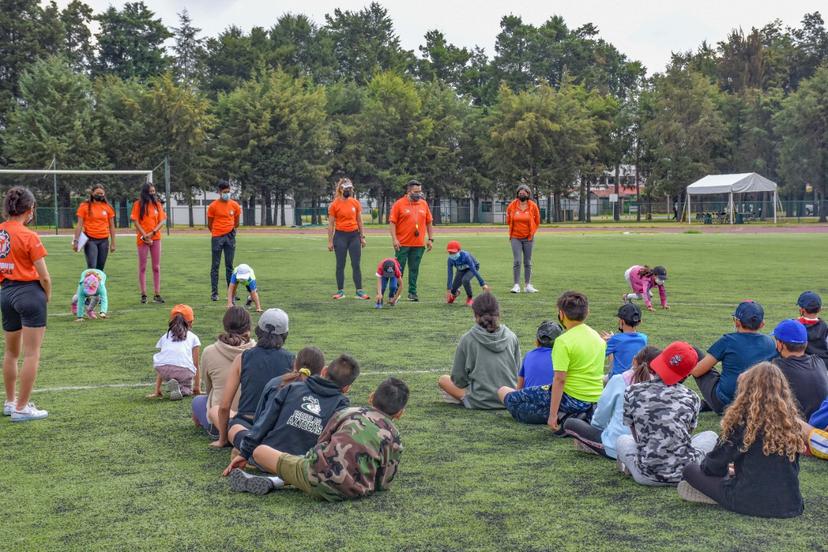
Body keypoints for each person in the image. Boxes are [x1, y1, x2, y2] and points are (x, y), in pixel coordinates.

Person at [223, 377, 409, 502]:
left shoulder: (348, 413)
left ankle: (278, 479)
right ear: (400, 413)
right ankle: (275, 481)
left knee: (260, 451)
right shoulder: (395, 436)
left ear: (371, 398)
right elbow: (384, 481)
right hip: (355, 491)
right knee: (312, 472)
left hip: (314, 476)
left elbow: (321, 443)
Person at [679, 362, 805, 518]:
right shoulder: (791, 423)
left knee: (690, 469)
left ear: (747, 390)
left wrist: (728, 470)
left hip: (749, 501)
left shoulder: (742, 422)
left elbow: (712, 467)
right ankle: (724, 485)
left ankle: (717, 493)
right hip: (791, 504)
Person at [226, 353, 358, 495]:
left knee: (236, 428)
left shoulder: (292, 388)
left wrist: (244, 454)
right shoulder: (341, 406)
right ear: (346, 388)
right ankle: (281, 480)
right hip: (300, 466)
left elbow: (264, 423)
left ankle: (273, 477)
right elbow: (328, 444)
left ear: (324, 371)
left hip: (266, 457)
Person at [616, 342, 717, 486]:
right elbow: (687, 433)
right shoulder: (692, 397)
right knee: (711, 436)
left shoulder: (632, 391)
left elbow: (634, 433)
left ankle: (631, 467)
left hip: (645, 475)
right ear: (687, 373)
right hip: (686, 472)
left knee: (622, 439)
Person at [1, 187, 51, 422]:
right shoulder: (29, 235)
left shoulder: (1, 231)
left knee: (11, 353)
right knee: (32, 354)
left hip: (6, 293)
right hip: (29, 293)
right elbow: (45, 276)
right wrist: (47, 295)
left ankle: (10, 402)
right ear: (30, 210)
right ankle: (22, 407)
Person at [212, 308, 295, 448]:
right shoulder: (293, 361)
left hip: (246, 423)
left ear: (258, 330)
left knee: (216, 411)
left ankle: (247, 445)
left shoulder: (242, 358)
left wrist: (222, 439)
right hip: (276, 426)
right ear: (285, 334)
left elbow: (225, 406)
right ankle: (265, 447)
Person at [564, 346, 660, 459]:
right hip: (649, 450)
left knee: (570, 423)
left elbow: (601, 415)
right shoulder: (665, 387)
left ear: (634, 360)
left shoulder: (619, 380)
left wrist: (595, 429)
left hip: (615, 447)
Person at [691, 301, 776, 414]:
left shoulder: (728, 341)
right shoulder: (771, 342)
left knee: (692, 352)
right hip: (756, 404)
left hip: (725, 404)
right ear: (762, 324)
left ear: (737, 322)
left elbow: (697, 371)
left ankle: (670, 395)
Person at [437, 293, 520, 409]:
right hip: (508, 398)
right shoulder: (512, 336)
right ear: (498, 314)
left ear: (476, 315)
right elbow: (518, 373)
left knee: (443, 380)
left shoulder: (468, 339)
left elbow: (458, 380)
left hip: (479, 401)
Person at [547, 291, 606, 433]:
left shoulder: (563, 341)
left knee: (514, 399)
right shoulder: (598, 338)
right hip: (596, 400)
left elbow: (560, 379)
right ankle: (583, 417)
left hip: (572, 398)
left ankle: (566, 416)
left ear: (561, 314)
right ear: (587, 313)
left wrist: (552, 415)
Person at [191, 307, 255, 435]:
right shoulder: (259, 350)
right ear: (248, 327)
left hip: (221, 420)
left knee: (198, 401)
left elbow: (209, 389)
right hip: (253, 419)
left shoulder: (210, 351)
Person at [497, 321, 563, 424]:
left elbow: (518, 390)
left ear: (537, 340)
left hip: (526, 411)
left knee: (502, 390)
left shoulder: (529, 355)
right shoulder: (562, 358)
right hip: (555, 412)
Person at [770, 319, 828, 419]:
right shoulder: (818, 361)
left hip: (797, 430)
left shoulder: (776, 368)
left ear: (780, 344)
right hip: (819, 429)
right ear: (805, 343)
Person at [389, 180, 434, 302]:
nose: (418, 194)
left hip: (418, 244)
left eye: (420, 191)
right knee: (399, 269)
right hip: (402, 244)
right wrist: (394, 239)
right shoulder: (399, 204)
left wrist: (430, 239)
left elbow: (429, 222)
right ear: (408, 191)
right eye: (416, 192)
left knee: (414, 269)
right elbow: (392, 223)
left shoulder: (423, 204)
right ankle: (395, 293)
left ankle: (412, 292)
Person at [146, 305, 201, 401]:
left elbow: (163, 358)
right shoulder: (193, 337)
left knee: (167, 361)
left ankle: (175, 385)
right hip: (183, 371)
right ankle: (182, 389)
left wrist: (157, 390)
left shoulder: (165, 336)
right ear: (190, 322)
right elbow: (196, 364)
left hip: (163, 369)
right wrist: (197, 388)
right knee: (187, 390)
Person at [327, 178, 368, 300]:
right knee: (340, 264)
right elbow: (331, 224)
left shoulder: (355, 203)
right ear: (341, 189)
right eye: (346, 189)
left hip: (354, 236)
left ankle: (359, 291)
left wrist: (362, 237)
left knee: (356, 264)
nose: (349, 191)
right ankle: (340, 291)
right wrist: (330, 241)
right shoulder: (334, 204)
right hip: (340, 236)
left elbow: (360, 221)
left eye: (350, 189)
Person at [131, 182, 166, 304]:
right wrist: (144, 234)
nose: (153, 193)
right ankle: (144, 294)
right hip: (143, 239)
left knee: (156, 267)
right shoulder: (138, 204)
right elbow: (135, 221)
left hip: (155, 238)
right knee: (143, 267)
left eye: (154, 191)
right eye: (150, 191)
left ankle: (157, 294)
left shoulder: (157, 204)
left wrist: (153, 232)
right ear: (145, 192)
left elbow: (162, 220)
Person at [207, 181, 241, 301]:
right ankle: (214, 293)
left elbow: (236, 221)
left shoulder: (235, 205)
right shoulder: (213, 206)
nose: (227, 194)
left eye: (228, 192)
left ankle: (232, 292)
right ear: (219, 192)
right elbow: (209, 224)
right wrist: (217, 232)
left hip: (230, 237)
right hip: (217, 237)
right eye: (224, 192)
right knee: (215, 265)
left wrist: (231, 230)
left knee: (229, 266)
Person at [506, 184, 540, 294]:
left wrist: (532, 232)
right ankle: (516, 285)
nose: (522, 194)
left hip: (528, 238)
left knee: (528, 262)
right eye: (520, 193)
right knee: (517, 261)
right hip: (515, 237)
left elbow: (537, 221)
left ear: (528, 194)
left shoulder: (533, 206)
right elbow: (508, 219)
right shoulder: (512, 205)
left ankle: (527, 285)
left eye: (524, 193)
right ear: (517, 194)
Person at [72, 184, 116, 271]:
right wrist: (76, 241)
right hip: (90, 240)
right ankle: (89, 284)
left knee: (100, 268)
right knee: (92, 266)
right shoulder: (84, 206)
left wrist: (113, 243)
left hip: (104, 241)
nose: (100, 195)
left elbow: (112, 226)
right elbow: (79, 225)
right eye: (97, 193)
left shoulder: (108, 207)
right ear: (92, 193)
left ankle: (99, 285)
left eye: (102, 193)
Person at [601, 303, 648, 377]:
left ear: (621, 321)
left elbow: (599, 354)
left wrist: (602, 342)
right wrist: (613, 339)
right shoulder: (644, 338)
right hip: (635, 377)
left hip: (619, 380)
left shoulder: (616, 340)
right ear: (640, 321)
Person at [445, 240, 490, 306]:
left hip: (472, 268)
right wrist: (449, 289)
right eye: (450, 252)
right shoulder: (450, 259)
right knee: (453, 289)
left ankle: (469, 297)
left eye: (453, 252)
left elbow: (473, 269)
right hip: (461, 269)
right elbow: (450, 273)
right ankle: (456, 293)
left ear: (459, 250)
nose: (452, 254)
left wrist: (482, 284)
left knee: (465, 280)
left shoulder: (466, 256)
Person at [796, 291, 828, 368]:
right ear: (820, 309)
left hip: (804, 366)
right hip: (824, 366)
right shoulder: (824, 326)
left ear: (801, 310)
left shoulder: (796, 325)